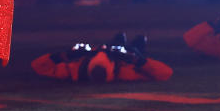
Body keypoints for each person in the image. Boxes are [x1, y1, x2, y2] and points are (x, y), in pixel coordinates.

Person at [31, 33, 173, 83]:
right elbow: (165, 73)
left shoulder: (74, 68)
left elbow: (38, 66)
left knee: (121, 39)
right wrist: (137, 60)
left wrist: (65, 55)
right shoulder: (125, 72)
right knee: (135, 44)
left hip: (86, 59)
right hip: (124, 57)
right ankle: (134, 44)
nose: (102, 54)